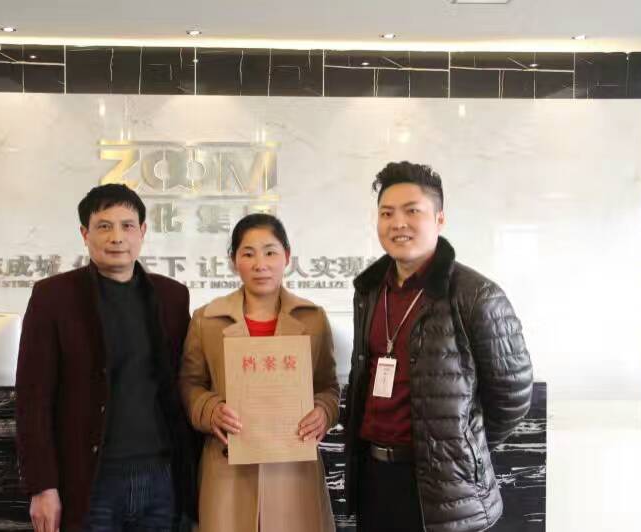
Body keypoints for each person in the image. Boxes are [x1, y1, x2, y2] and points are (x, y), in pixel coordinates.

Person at [344, 162, 533, 532]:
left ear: (439, 219)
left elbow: (513, 397)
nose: (398, 223)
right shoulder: (370, 291)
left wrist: (460, 449)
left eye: (412, 211)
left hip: (446, 488)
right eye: (387, 213)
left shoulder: (477, 295)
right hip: (375, 478)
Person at [15, 183, 197, 532]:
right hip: (90, 481)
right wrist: (42, 486)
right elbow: (32, 398)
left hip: (162, 480)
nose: (117, 237)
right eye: (104, 226)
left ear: (142, 231)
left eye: (127, 226)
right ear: (85, 234)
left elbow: (186, 382)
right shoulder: (53, 297)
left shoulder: (172, 297)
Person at [179, 213, 339, 532]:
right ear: (233, 261)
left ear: (287, 257)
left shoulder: (313, 319)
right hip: (228, 468)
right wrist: (210, 410)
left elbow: (328, 386)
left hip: (293, 468)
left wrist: (324, 411)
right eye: (248, 254)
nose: (260, 264)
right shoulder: (206, 319)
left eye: (270, 252)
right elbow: (189, 383)